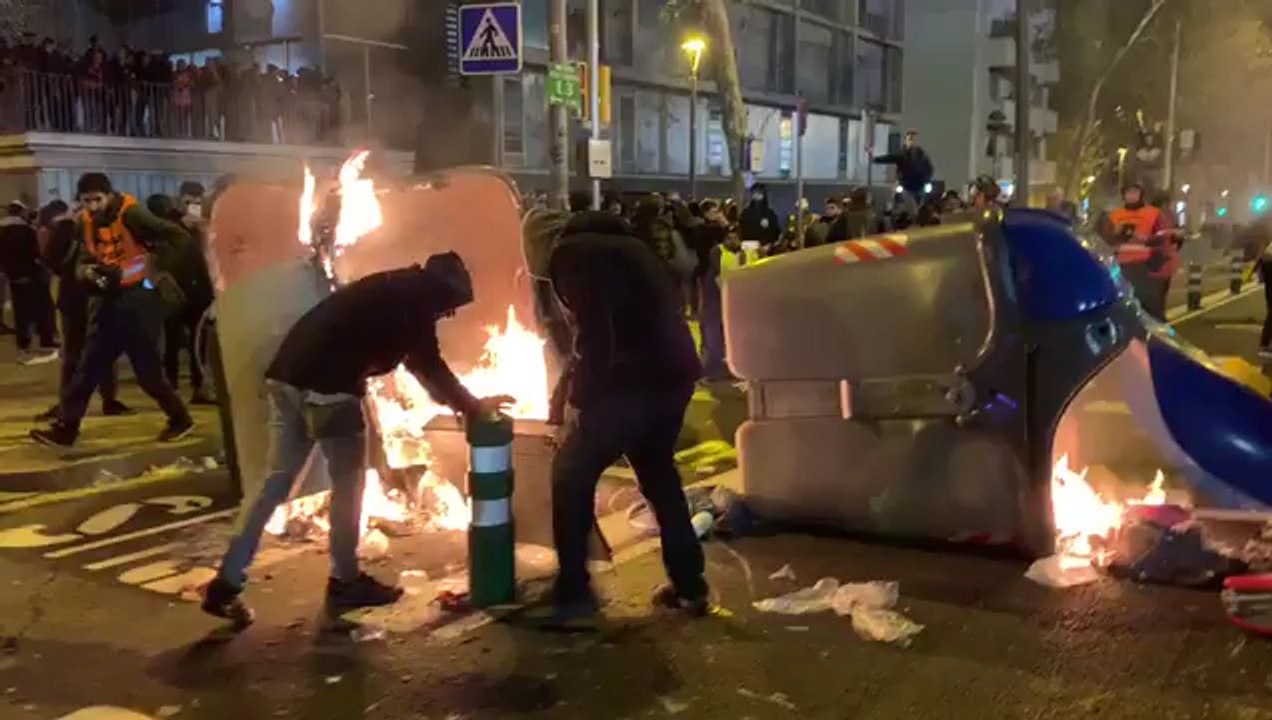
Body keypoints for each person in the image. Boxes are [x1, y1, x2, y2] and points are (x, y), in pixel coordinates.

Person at [201, 253, 514, 626]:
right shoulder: (414, 302)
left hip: (285, 380)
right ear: (442, 292)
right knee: (349, 486)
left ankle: (227, 581)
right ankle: (345, 580)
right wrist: (472, 406)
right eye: (449, 308)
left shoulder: (390, 285)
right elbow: (427, 365)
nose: (447, 316)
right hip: (330, 392)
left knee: (274, 482)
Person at [522, 210, 709, 628]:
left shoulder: (573, 254)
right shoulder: (627, 246)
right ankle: (690, 586)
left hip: (628, 383)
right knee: (659, 475)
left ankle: (573, 595)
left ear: (539, 245)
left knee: (570, 475)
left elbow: (595, 335)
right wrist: (563, 395)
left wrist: (578, 400)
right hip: (673, 377)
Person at [29, 173, 193, 447]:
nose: (92, 205)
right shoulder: (84, 222)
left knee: (148, 373)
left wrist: (154, 265)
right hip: (106, 302)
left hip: (137, 302)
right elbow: (83, 256)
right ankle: (67, 428)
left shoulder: (132, 213)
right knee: (87, 369)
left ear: (109, 196)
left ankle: (180, 418)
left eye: (97, 199)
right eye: (86, 200)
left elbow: (178, 237)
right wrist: (87, 273)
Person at [35, 200, 131, 420]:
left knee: (74, 353)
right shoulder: (111, 225)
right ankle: (108, 400)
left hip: (74, 295)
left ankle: (67, 404)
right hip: (99, 295)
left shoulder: (67, 226)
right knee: (102, 348)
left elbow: (49, 260)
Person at [147, 188, 216, 405]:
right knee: (183, 343)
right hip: (185, 292)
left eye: (196, 201)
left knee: (186, 344)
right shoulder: (177, 227)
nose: (192, 206)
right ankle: (184, 388)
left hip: (187, 293)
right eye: (189, 201)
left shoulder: (201, 228)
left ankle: (187, 387)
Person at [1101, 182, 1172, 321]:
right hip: (1120, 267)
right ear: (1123, 196)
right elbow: (1105, 240)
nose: (1132, 196)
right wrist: (1117, 233)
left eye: (1135, 193)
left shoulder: (1153, 213)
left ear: (1141, 195)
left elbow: (1163, 237)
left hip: (1147, 266)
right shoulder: (1115, 216)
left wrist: (1142, 237)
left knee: (1150, 307)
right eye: (1128, 193)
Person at [0, 201, 58, 364]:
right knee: (43, 307)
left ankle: (23, 344)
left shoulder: (2, 232)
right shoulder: (26, 231)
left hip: (13, 277)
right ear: (21, 213)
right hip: (31, 275)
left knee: (20, 313)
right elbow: (35, 253)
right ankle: (46, 338)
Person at [872, 130, 934, 205]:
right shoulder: (902, 156)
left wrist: (927, 180)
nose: (911, 142)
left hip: (920, 183)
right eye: (909, 139)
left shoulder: (922, 156)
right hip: (905, 183)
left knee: (920, 199)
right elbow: (889, 158)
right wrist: (875, 159)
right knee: (899, 196)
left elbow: (930, 169)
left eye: (912, 139)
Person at [739, 184, 780, 249]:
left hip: (766, 248)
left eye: (759, 193)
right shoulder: (746, 212)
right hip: (749, 246)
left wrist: (770, 244)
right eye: (754, 193)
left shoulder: (770, 213)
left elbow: (775, 231)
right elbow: (741, 229)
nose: (756, 195)